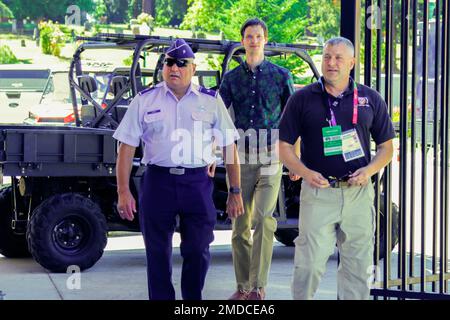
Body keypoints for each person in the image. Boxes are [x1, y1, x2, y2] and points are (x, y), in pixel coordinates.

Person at [113, 38, 244, 300]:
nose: (174, 68)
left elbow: (230, 147)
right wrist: (123, 191)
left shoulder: (210, 100)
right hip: (157, 183)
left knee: (198, 249)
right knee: (157, 252)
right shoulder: (145, 100)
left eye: (182, 63)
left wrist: (235, 190)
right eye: (169, 63)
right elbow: (126, 147)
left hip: (197, 184)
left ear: (193, 69)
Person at [278, 36, 395, 300]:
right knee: (309, 265)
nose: (331, 63)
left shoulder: (370, 98)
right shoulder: (302, 99)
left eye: (338, 58)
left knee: (358, 267)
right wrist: (306, 173)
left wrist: (369, 171)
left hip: (358, 194)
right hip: (319, 194)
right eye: (327, 57)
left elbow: (387, 147)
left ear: (351, 63)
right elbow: (284, 147)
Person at [219, 18, 296, 300]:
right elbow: (219, 116)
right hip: (239, 159)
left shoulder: (280, 76)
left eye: (258, 36)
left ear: (265, 40)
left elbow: (293, 117)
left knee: (264, 220)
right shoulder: (231, 78)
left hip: (270, 158)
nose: (253, 41)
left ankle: (258, 287)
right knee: (240, 226)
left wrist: (293, 157)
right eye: (249, 36)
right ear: (243, 41)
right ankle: (243, 288)